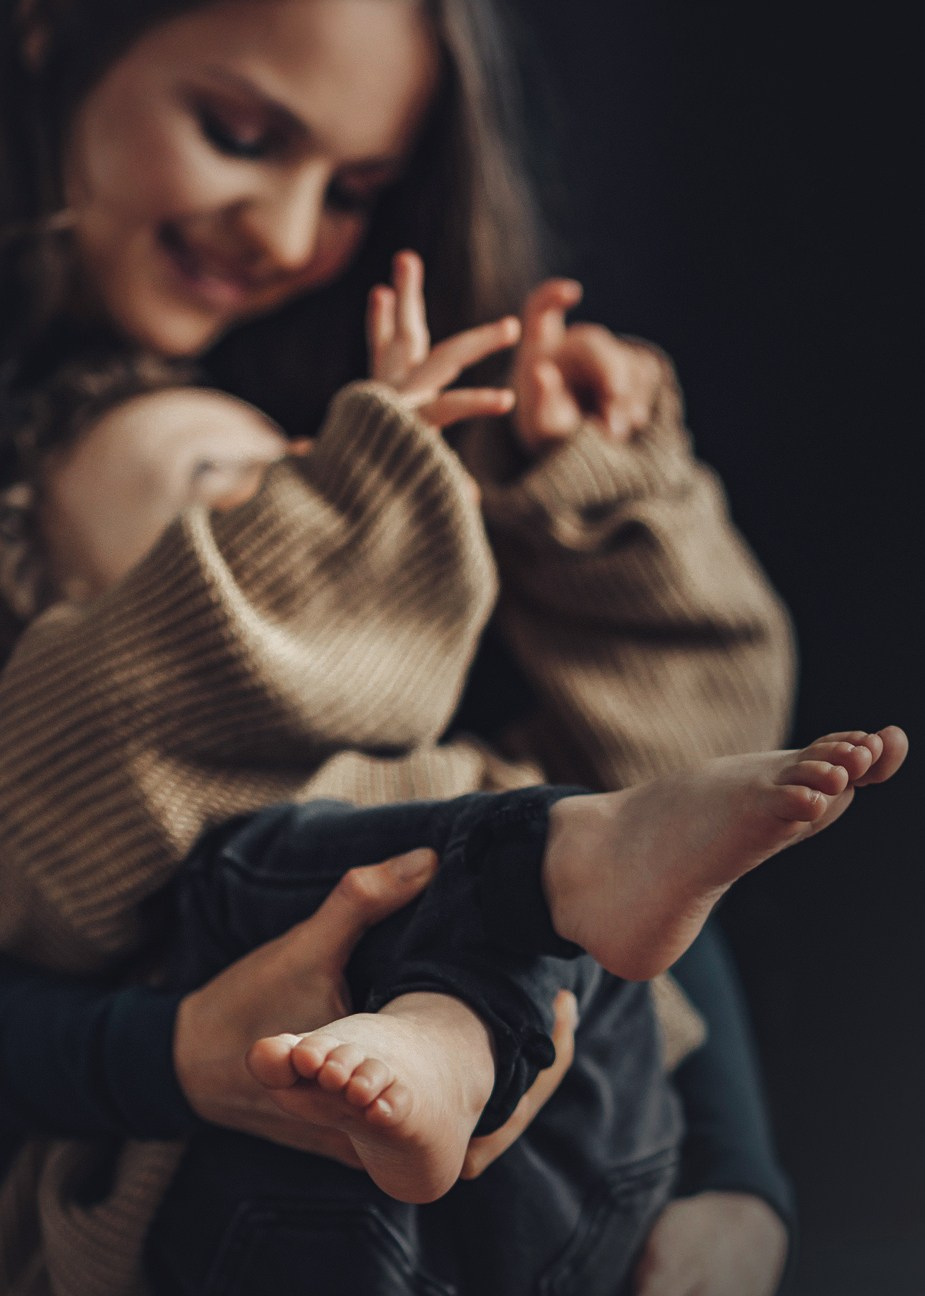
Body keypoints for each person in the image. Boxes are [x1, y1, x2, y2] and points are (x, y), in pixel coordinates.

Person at [0, 0, 867, 1291]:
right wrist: (176, 1053)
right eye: (240, 133)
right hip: (239, 1190)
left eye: (355, 190)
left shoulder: (351, 568)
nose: (291, 235)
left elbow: (667, 808)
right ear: (46, 35)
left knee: (534, 836)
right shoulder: (81, 734)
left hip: (571, 1180)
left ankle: (457, 1031)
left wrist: (736, 1183)